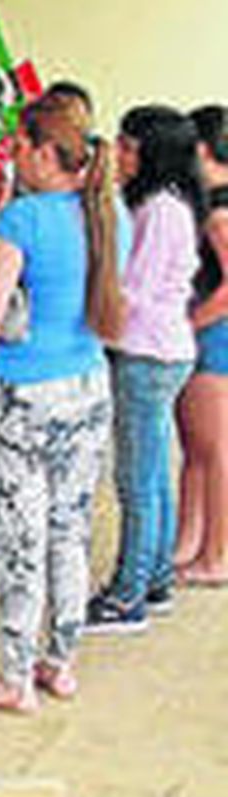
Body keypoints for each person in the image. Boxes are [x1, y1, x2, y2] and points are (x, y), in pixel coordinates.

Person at [0, 92, 123, 714]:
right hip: (87, 386)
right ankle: (61, 662)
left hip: (25, 394)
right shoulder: (109, 215)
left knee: (21, 539)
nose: (14, 156)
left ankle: (15, 678)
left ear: (47, 153)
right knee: (69, 533)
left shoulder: (21, 221)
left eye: (21, 146)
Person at [85, 104, 201, 630]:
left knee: (135, 480)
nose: (120, 154)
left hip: (147, 354)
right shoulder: (164, 204)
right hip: (160, 351)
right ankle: (153, 580)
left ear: (152, 154)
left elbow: (131, 291)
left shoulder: (159, 210)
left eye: (129, 147)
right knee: (152, 473)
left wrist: (89, 318)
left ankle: (127, 595)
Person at [175, 104, 228, 584]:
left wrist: (190, 324)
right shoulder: (208, 202)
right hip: (210, 333)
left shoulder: (219, 210)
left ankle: (216, 554)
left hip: (216, 337)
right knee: (195, 447)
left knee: (214, 450)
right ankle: (188, 541)